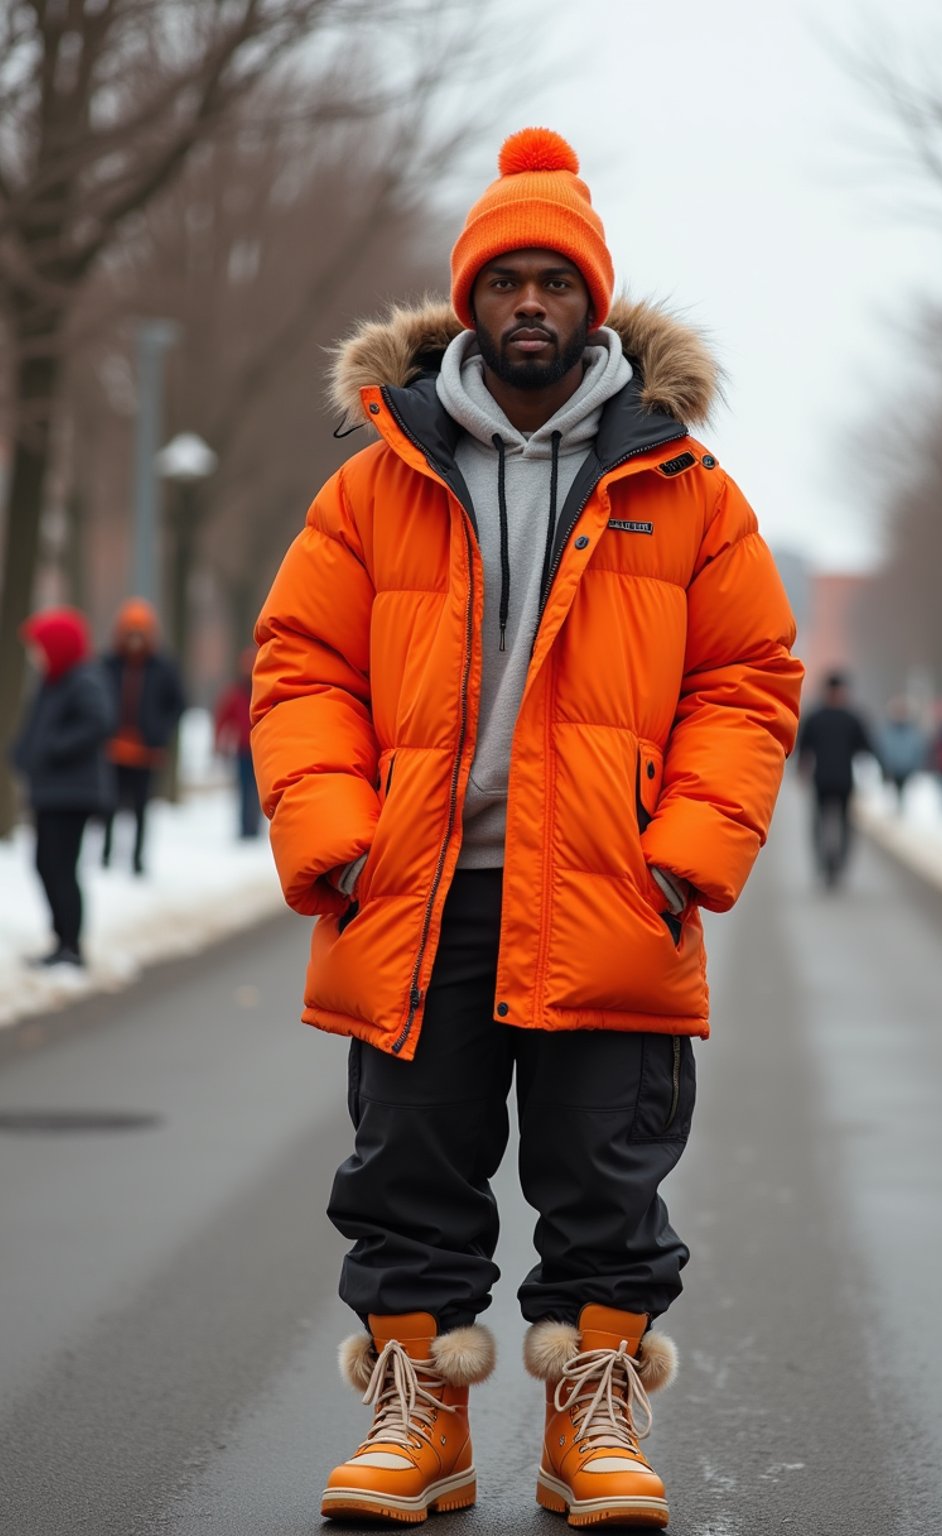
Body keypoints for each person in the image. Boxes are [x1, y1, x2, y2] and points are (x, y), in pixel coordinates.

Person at [252, 128, 803, 1530]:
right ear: (472, 299)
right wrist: (337, 834)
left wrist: (685, 854)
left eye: (558, 280)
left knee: (608, 1178)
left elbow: (748, 679)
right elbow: (299, 666)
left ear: (595, 301)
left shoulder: (682, 488)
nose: (533, 305)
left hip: (613, 884)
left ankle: (591, 1429)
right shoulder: (376, 479)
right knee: (407, 1174)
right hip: (418, 887)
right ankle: (418, 1429)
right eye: (509, 282)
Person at [12, 608, 115, 967]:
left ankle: (70, 946)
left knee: (59, 866)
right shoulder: (52, 680)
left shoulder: (82, 680)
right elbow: (37, 728)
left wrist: (53, 749)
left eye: (40, 647)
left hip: (72, 794)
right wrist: (23, 755)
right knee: (46, 864)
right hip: (53, 791)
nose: (35, 655)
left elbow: (98, 722)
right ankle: (61, 941)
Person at [100, 598, 185, 875]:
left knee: (140, 809)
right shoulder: (108, 665)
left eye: (140, 633)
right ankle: (106, 854)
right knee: (109, 805)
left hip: (146, 752)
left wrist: (159, 730)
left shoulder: (162, 667)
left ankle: (137, 860)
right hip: (112, 750)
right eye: (130, 633)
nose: (135, 640)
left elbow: (178, 704)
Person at [796, 670, 874, 887]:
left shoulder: (817, 717)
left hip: (829, 779)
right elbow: (866, 746)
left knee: (829, 822)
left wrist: (802, 769)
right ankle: (831, 862)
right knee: (834, 823)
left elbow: (803, 746)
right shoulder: (851, 717)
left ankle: (831, 862)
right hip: (836, 779)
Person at [213, 646, 261, 839]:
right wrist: (219, 742)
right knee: (244, 789)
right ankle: (244, 828)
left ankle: (254, 827)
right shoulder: (235, 694)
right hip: (242, 749)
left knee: (258, 790)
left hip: (262, 750)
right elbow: (222, 718)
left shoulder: (265, 690)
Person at [876, 696, 926, 811]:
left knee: (904, 796)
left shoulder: (912, 732)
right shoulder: (887, 731)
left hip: (907, 769)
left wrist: (915, 767)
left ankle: (901, 810)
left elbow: (918, 750)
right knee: (891, 797)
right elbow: (881, 749)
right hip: (891, 769)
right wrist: (885, 765)